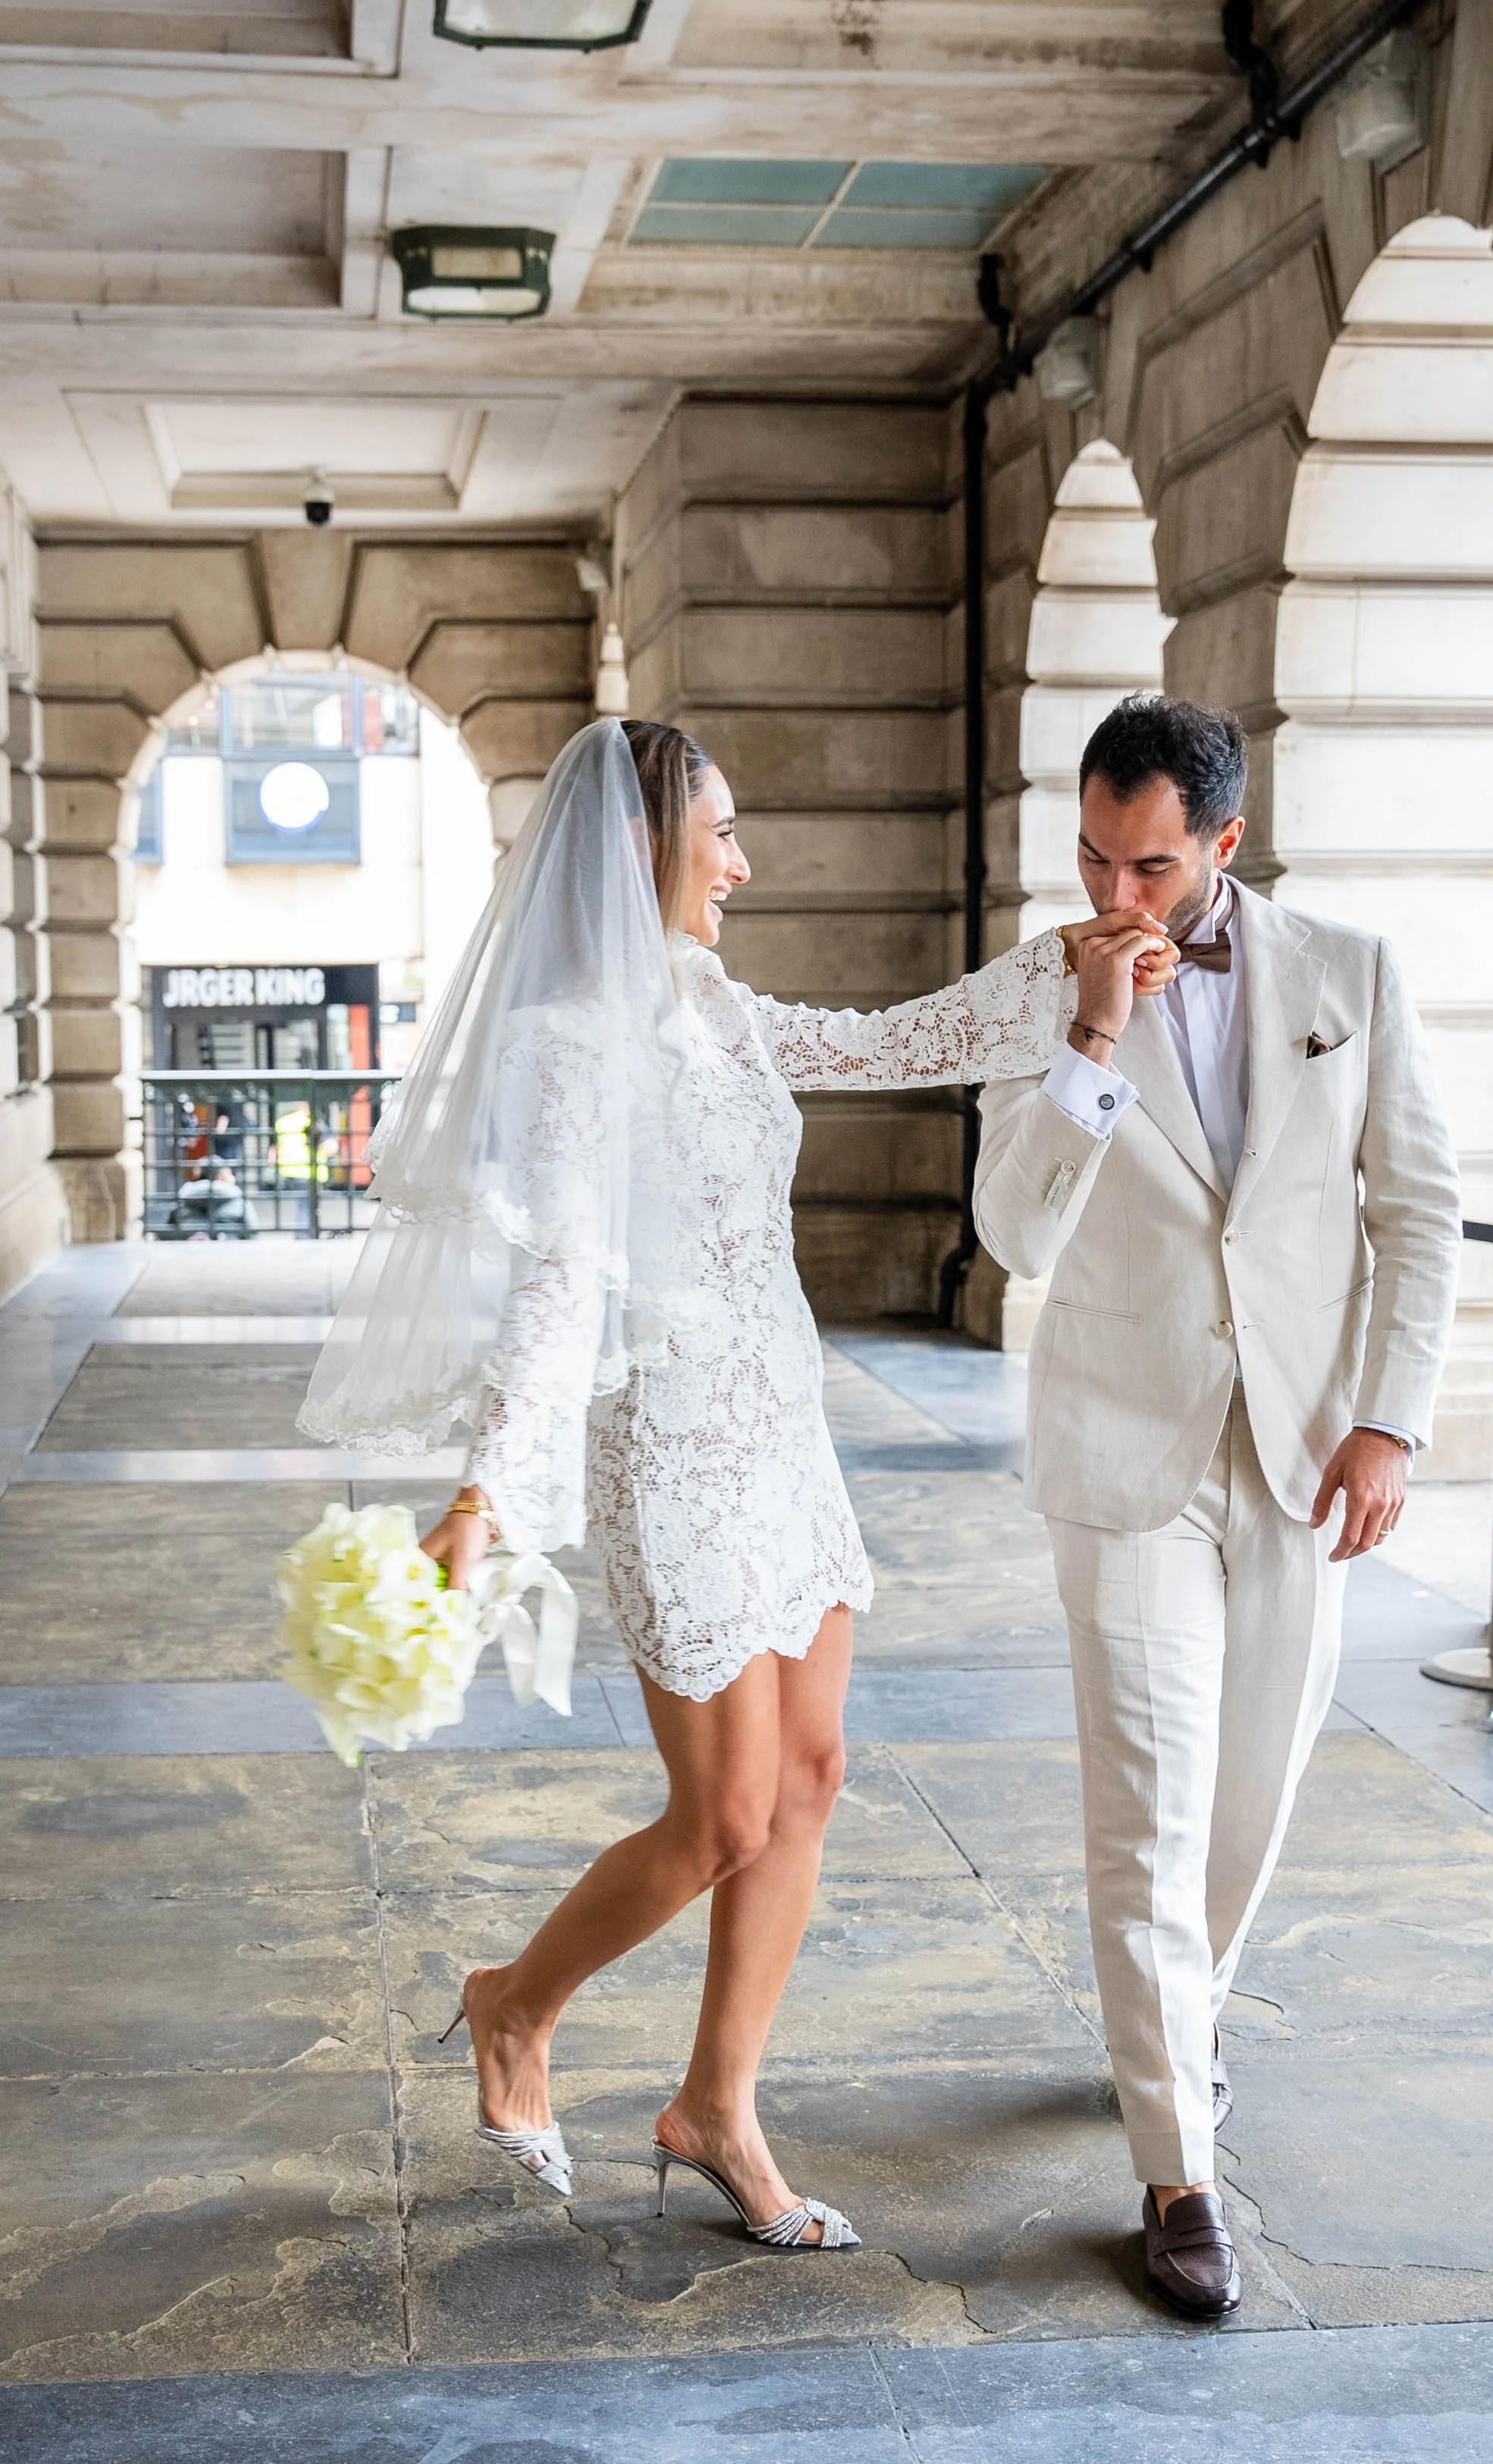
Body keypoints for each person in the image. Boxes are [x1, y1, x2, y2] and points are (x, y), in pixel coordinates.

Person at [300, 714, 1171, 2251]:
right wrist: (489, 1488)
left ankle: (717, 2105)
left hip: (783, 1429)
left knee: (814, 1780)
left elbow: (896, 1041)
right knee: (720, 1817)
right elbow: (564, 1279)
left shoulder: (708, 998)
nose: (743, 864)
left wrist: (1079, 972)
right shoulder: (569, 1042)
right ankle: (514, 2007)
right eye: (721, 837)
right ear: (644, 849)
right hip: (675, 1453)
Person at [974, 694, 1460, 2318]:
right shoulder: (1044, 988)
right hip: (1127, 1457)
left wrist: (1389, 1420)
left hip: (1307, 1453)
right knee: (1148, 1811)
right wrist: (1092, 1037)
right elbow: (1018, 1238)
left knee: (1249, 1802)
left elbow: (1421, 1208)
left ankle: (1175, 2027)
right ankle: (1177, 2166)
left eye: (1156, 864)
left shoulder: (1350, 975)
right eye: (1099, 859)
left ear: (1227, 843)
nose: (1122, 894)